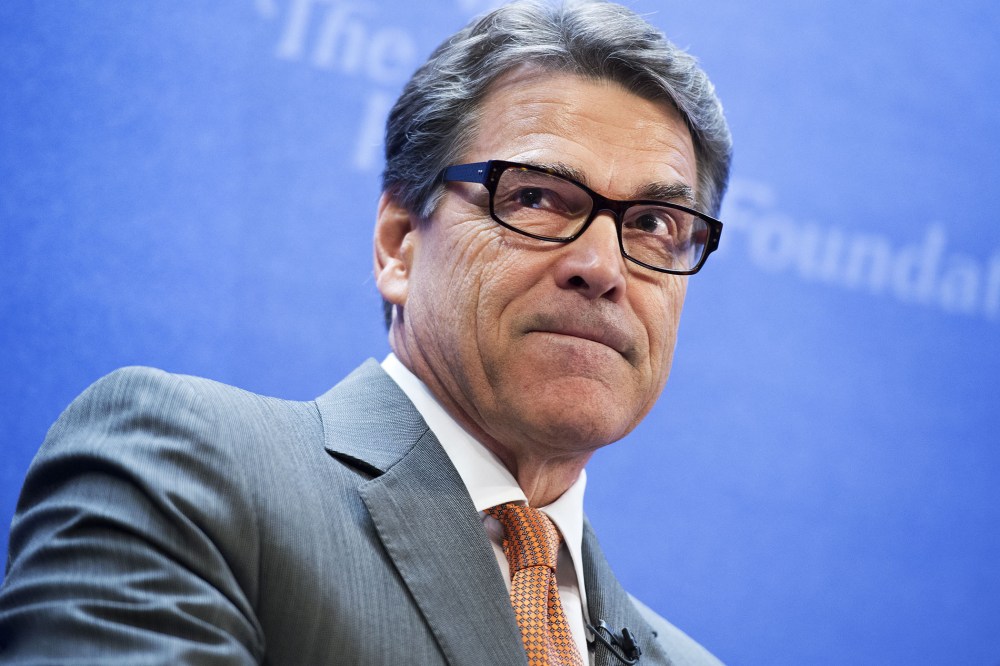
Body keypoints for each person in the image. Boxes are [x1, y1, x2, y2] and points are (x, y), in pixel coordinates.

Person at [0, 0, 731, 663]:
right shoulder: (187, 473)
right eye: (536, 197)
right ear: (398, 245)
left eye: (656, 225)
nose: (602, 266)